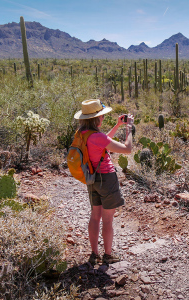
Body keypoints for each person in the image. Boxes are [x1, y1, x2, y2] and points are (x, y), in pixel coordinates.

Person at [73, 99, 134, 265]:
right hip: (106, 179)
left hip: (91, 178)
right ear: (96, 119)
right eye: (102, 116)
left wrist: (117, 125)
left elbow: (102, 142)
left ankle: (94, 254)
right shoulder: (97, 136)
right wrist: (129, 129)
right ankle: (108, 255)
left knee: (95, 217)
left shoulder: (82, 134)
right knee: (107, 220)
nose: (103, 119)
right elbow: (127, 149)